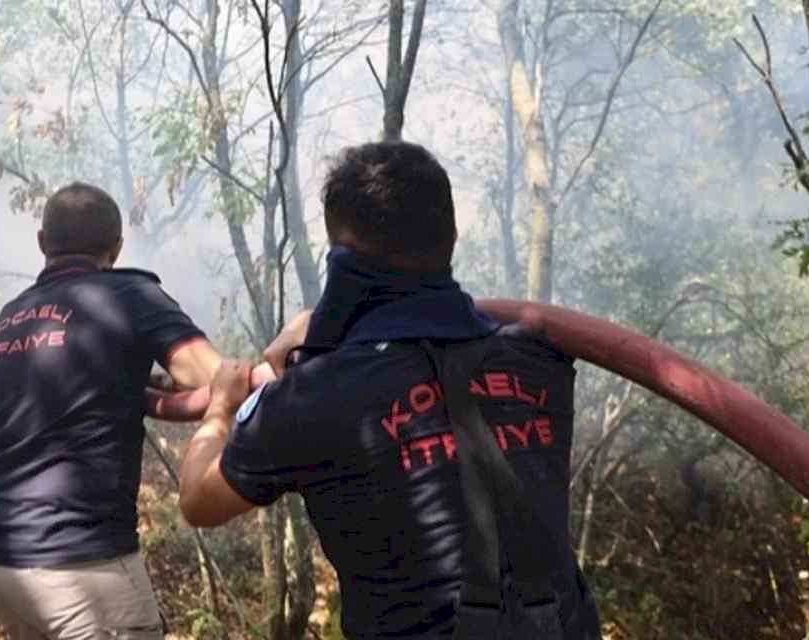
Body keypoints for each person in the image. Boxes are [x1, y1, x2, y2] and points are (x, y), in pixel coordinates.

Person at [177, 142, 601, 638]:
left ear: (339, 260)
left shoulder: (312, 397)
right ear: (453, 236)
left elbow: (197, 500)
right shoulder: (541, 364)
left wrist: (224, 406)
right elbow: (441, 352)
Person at [0, 182, 220, 640]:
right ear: (116, 249)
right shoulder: (131, 296)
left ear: (42, 243)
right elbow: (213, 376)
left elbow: (71, 399)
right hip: (79, 564)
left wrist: (142, 391)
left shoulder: (10, 316)